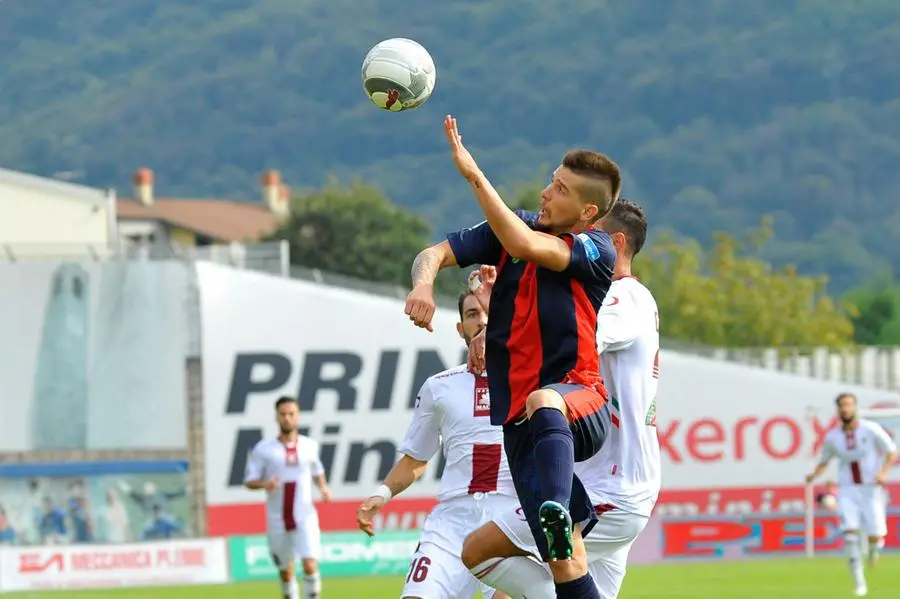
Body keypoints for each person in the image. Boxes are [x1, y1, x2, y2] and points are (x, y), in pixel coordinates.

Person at [405, 115, 621, 599]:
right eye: (551, 180)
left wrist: (473, 175)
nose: (546, 192)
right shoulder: (512, 227)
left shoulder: (594, 248)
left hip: (577, 400)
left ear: (588, 211)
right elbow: (433, 253)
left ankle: (557, 508)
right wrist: (422, 283)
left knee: (545, 399)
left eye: (561, 189)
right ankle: (557, 531)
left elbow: (524, 244)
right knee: (552, 562)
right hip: (520, 428)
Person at [463, 201, 661, 599]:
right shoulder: (608, 296)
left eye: (593, 231)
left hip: (611, 489)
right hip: (594, 481)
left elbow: (575, 335)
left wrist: (499, 327)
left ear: (616, 242)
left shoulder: (625, 296)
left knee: (480, 553)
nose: (579, 239)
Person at [357, 286, 516, 599]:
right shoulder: (439, 386)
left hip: (508, 513)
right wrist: (381, 494)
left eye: (487, 312)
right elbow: (416, 458)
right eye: (472, 314)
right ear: (460, 328)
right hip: (452, 519)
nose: (481, 321)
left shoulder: (526, 376)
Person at [805, 393, 897, 597]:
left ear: (855, 408)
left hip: (871, 489)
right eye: (842, 406)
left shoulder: (871, 429)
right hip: (847, 490)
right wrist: (813, 476)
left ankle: (874, 551)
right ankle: (859, 583)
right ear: (838, 410)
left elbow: (892, 451)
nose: (846, 409)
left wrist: (883, 472)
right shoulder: (832, 437)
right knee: (850, 534)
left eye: (849, 405)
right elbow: (824, 461)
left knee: (876, 535)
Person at [245, 396, 333, 599]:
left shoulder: (309, 446)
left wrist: (323, 488)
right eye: (283, 414)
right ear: (276, 417)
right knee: (286, 571)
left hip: (305, 515)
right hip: (278, 519)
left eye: (291, 414)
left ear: (298, 416)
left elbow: (317, 470)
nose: (287, 418)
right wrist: (265, 484)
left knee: (310, 563)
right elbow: (250, 480)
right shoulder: (264, 449)